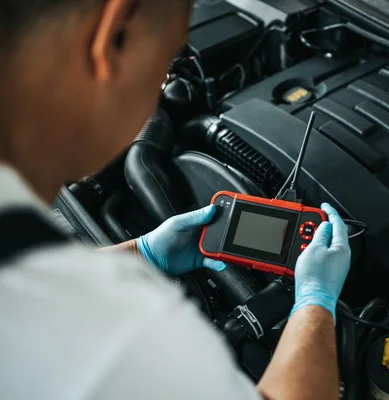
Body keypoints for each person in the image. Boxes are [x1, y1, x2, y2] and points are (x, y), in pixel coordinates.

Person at [0, 1, 352, 399]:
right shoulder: (131, 340)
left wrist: (142, 252)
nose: (161, 95)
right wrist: (316, 303)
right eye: (164, 68)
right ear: (113, 35)